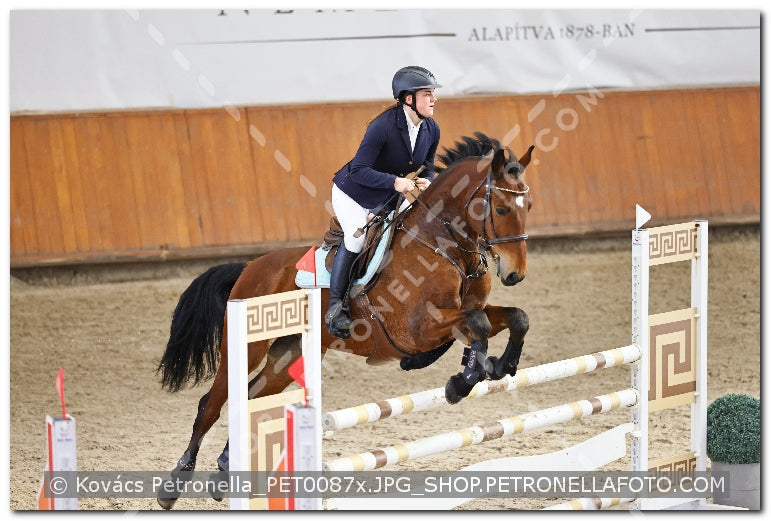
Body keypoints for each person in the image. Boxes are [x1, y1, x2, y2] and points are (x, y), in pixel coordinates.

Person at [326, 65, 442, 339]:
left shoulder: (431, 128)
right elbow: (359, 169)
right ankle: (335, 309)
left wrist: (428, 180)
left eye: (433, 94)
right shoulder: (383, 126)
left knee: (414, 230)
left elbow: (428, 166)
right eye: (427, 94)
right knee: (355, 240)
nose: (433, 99)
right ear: (408, 98)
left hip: (389, 195)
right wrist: (395, 182)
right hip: (353, 193)